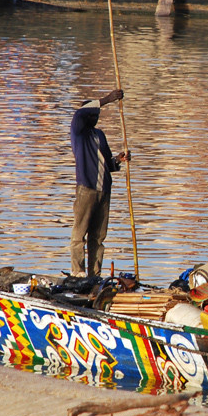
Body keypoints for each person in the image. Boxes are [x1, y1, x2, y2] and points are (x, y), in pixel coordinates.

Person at [69, 89, 129, 278]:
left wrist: (119, 159)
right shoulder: (78, 132)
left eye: (97, 115)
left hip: (104, 190)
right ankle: (78, 272)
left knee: (98, 236)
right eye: (92, 113)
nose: (95, 117)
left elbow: (107, 163)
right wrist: (108, 99)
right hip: (86, 188)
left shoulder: (99, 135)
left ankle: (94, 275)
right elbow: (80, 113)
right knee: (80, 235)